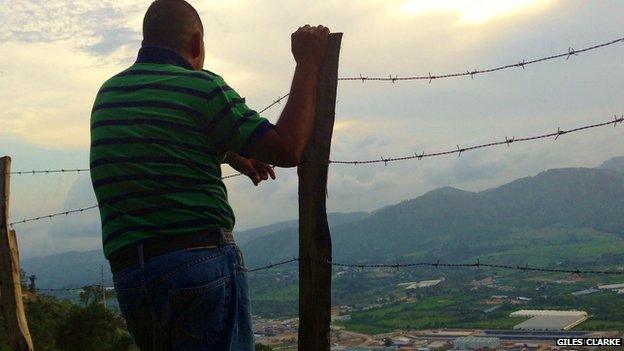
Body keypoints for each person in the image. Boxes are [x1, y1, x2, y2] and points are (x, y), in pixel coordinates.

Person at [89, 0, 330, 349]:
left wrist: (229, 153)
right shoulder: (202, 87)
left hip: (131, 277)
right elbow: (287, 148)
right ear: (197, 42)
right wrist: (307, 64)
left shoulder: (108, 95)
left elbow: (160, 140)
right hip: (197, 262)